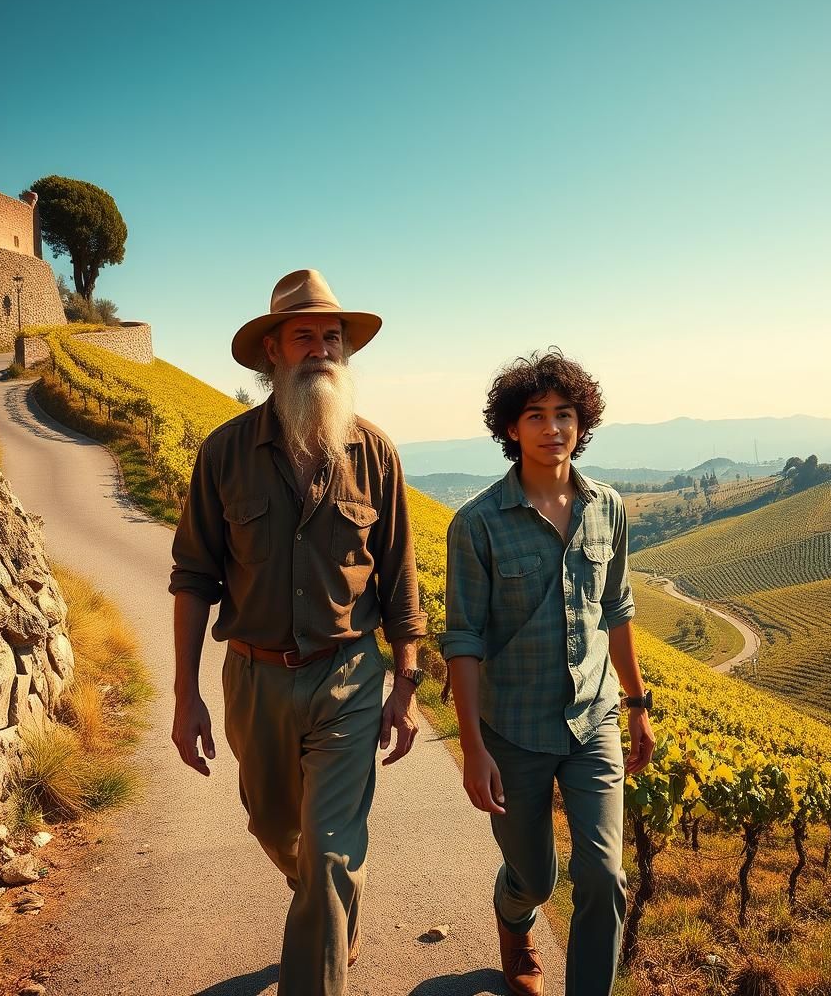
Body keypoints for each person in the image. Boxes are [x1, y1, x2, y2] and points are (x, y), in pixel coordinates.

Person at [169, 268, 427, 996]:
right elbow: (193, 577)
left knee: (330, 852)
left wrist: (404, 684)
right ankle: (327, 909)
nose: (322, 349)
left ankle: (321, 926)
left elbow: (400, 583)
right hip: (254, 682)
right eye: (305, 336)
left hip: (347, 677)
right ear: (272, 354)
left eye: (333, 339)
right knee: (276, 830)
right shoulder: (222, 455)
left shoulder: (375, 454)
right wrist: (185, 696)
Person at [440, 350, 655, 996]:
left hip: (594, 722)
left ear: (581, 423)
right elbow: (464, 639)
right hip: (512, 731)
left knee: (603, 876)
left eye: (565, 414)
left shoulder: (608, 508)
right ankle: (515, 918)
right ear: (511, 428)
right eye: (535, 416)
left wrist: (638, 706)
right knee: (535, 877)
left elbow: (616, 610)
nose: (553, 427)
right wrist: (473, 750)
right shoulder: (476, 524)